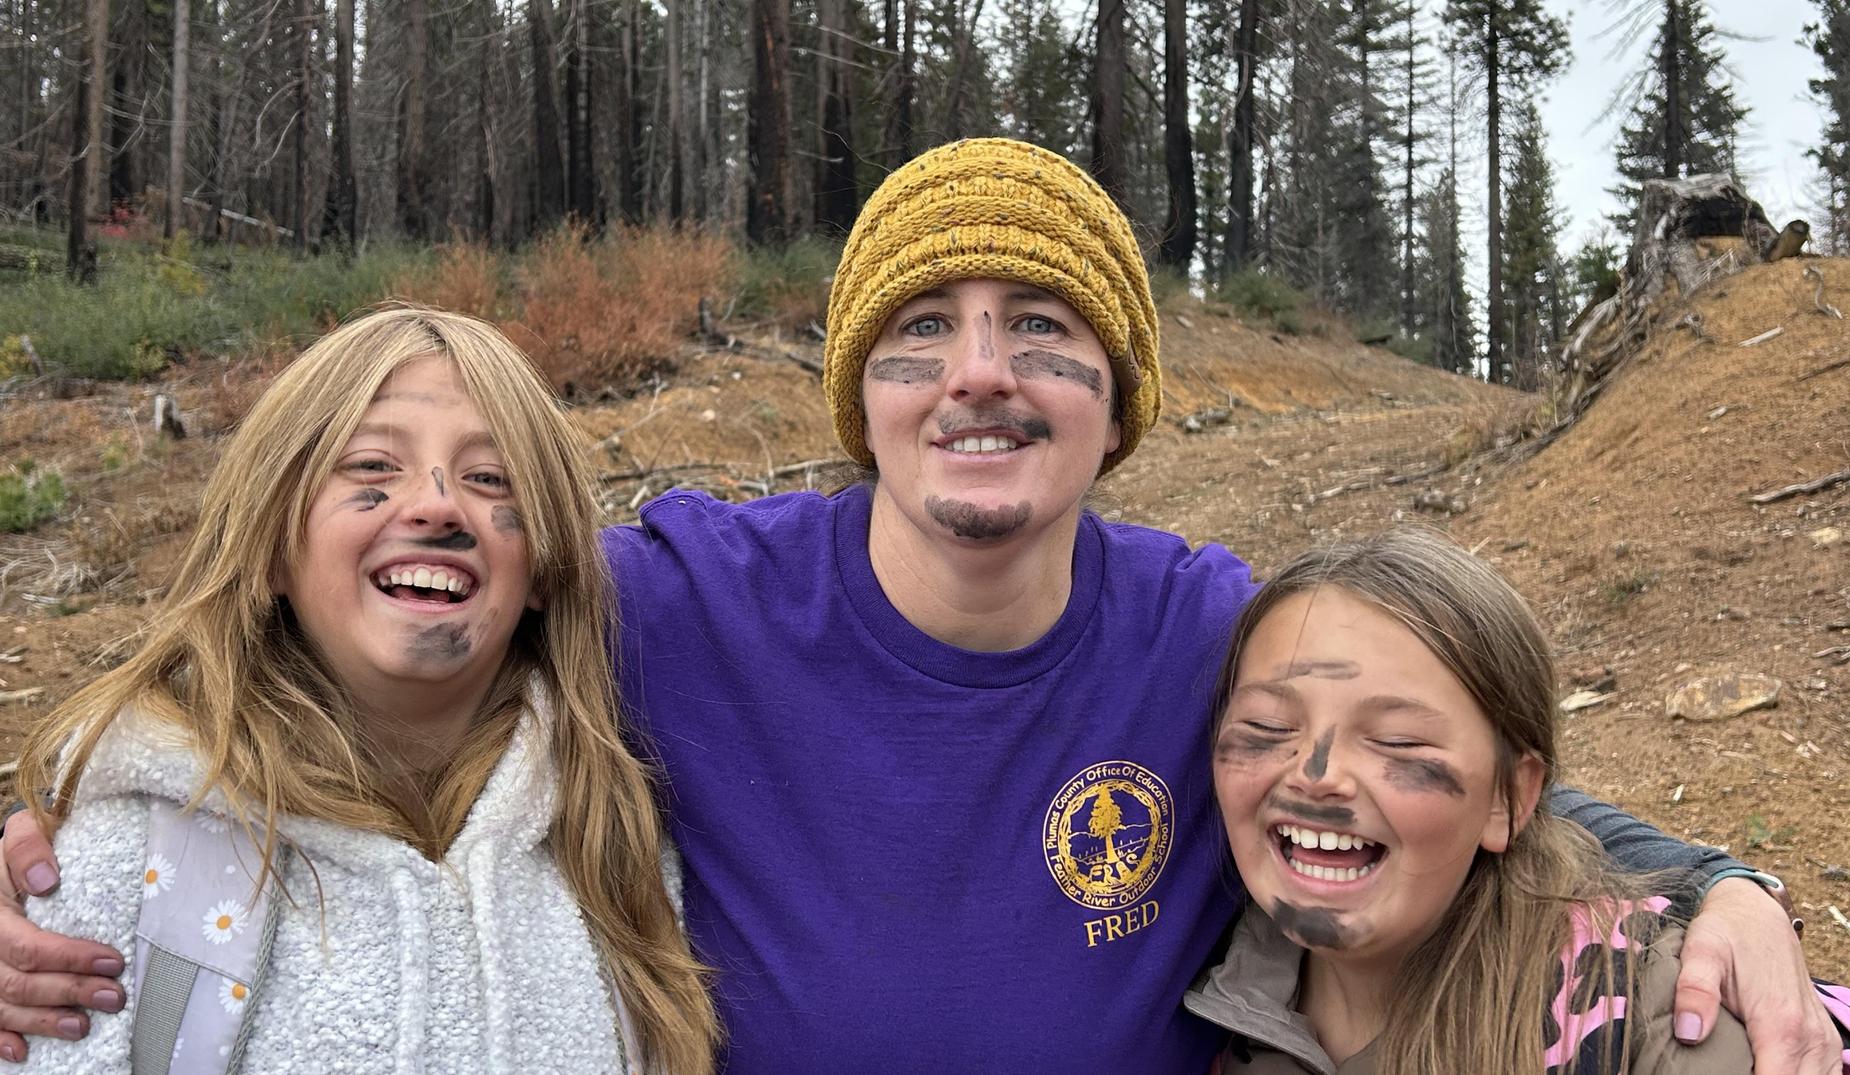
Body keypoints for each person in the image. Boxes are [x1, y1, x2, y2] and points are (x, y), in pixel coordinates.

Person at [0, 139, 1837, 1072]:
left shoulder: (1207, 630)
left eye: (1042, 332)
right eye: (918, 335)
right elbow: (342, 657)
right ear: (856, 398)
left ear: (1118, 406)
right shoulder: (678, 595)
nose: (980, 375)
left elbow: (1409, 767)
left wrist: (1709, 879)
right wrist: (78, 838)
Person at [3, 309, 717, 1072]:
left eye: (489, 478)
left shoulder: (614, 852)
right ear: (271, 546)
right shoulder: (125, 863)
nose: (438, 504)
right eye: (372, 465)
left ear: (542, 568)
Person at [1190, 528, 1850, 1074]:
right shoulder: (1217, 1001)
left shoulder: (1651, 1020)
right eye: (1267, 729)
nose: (1317, 773)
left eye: (1396, 740)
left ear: (1510, 797)